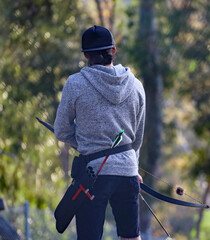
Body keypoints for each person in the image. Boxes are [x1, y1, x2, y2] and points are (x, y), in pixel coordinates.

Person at [54, 25, 145, 240]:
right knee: (131, 237)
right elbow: (137, 138)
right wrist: (132, 165)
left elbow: (61, 130)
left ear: (85, 54)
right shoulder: (136, 86)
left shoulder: (75, 84)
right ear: (114, 49)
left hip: (93, 175)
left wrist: (88, 144)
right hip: (128, 170)